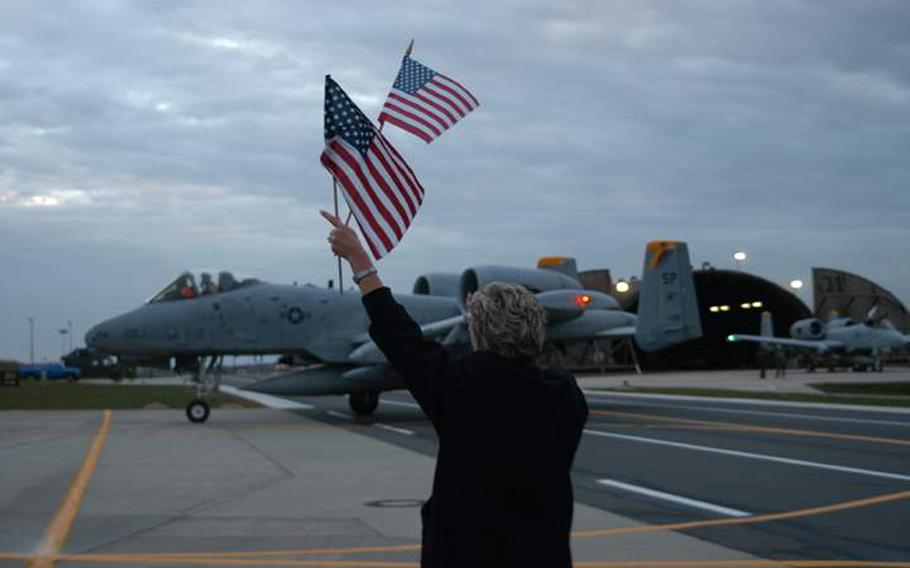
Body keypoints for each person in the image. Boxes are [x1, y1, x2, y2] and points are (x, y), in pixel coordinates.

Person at [321, 210, 588, 568]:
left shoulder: (461, 384)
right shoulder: (566, 395)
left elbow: (399, 336)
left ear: (479, 332)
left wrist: (360, 260)